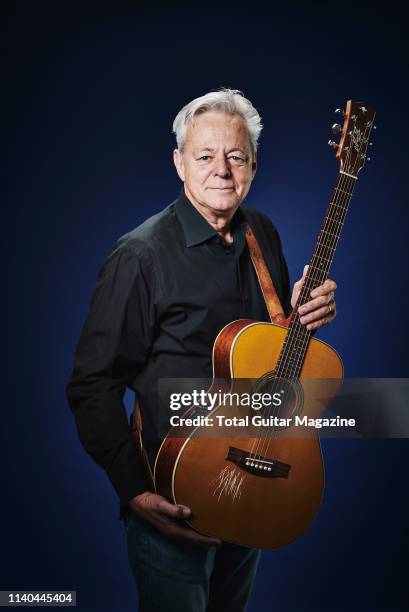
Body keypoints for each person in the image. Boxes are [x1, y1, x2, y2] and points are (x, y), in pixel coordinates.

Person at [66, 88, 337, 611]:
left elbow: (272, 362)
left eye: (236, 157)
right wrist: (135, 493)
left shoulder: (263, 234)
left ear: (253, 166)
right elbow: (91, 385)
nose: (222, 171)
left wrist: (301, 317)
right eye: (205, 156)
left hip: (254, 482)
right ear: (179, 163)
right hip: (174, 500)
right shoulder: (140, 256)